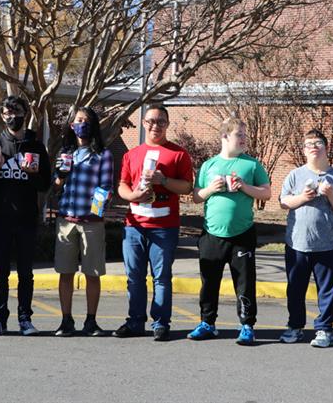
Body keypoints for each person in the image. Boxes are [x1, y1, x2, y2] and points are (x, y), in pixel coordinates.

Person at [187, 118, 271, 345]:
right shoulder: (209, 165)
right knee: (209, 281)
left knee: (244, 281)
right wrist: (210, 189)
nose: (244, 139)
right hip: (212, 234)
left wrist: (244, 186)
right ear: (224, 137)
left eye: (244, 135)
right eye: (239, 135)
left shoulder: (251, 165)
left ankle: (246, 325)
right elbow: (195, 197)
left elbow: (266, 194)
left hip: (242, 234)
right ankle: (207, 323)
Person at [113, 105, 193, 341]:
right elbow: (122, 185)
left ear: (167, 124)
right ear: (144, 124)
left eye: (161, 121)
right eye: (151, 121)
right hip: (134, 226)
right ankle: (135, 322)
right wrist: (132, 196)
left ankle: (161, 323)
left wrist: (164, 180)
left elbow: (187, 187)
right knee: (134, 277)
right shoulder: (132, 154)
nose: (155, 126)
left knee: (161, 277)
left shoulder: (178, 154)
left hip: (164, 226)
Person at [0, 95, 52, 336]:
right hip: (0, 217)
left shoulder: (37, 147)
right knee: (0, 271)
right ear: (2, 116)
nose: (12, 117)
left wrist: (31, 173)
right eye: (7, 113)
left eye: (16, 112)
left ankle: (25, 319)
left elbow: (45, 184)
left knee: (25, 273)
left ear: (25, 114)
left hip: (26, 219)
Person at [278, 130, 333, 348]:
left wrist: (330, 194)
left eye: (318, 143)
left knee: (326, 289)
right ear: (304, 150)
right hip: (297, 243)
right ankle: (295, 326)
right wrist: (302, 197)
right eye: (309, 144)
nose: (314, 146)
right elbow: (283, 202)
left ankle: (324, 329)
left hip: (326, 244)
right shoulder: (295, 175)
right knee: (295, 289)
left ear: (325, 148)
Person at [52, 107, 114, 337]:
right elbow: (56, 185)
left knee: (92, 273)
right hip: (66, 219)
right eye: (78, 120)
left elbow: (106, 187)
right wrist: (60, 175)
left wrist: (96, 210)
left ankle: (91, 320)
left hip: (91, 223)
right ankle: (66, 320)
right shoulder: (66, 152)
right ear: (71, 125)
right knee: (65, 272)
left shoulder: (102, 154)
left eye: (87, 121)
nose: (82, 124)